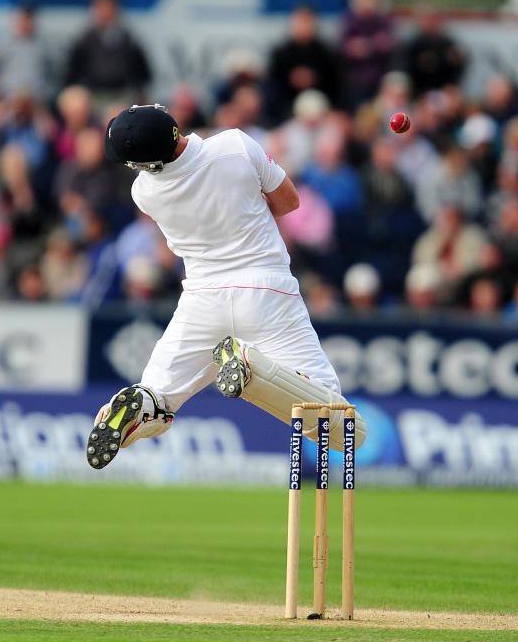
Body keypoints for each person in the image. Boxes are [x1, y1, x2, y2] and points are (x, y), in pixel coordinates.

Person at [86, 105, 366, 470]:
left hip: (201, 299)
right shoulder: (234, 145)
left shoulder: (145, 191)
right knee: (340, 424)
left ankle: (143, 402)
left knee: (159, 398)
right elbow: (289, 202)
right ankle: (252, 370)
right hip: (266, 290)